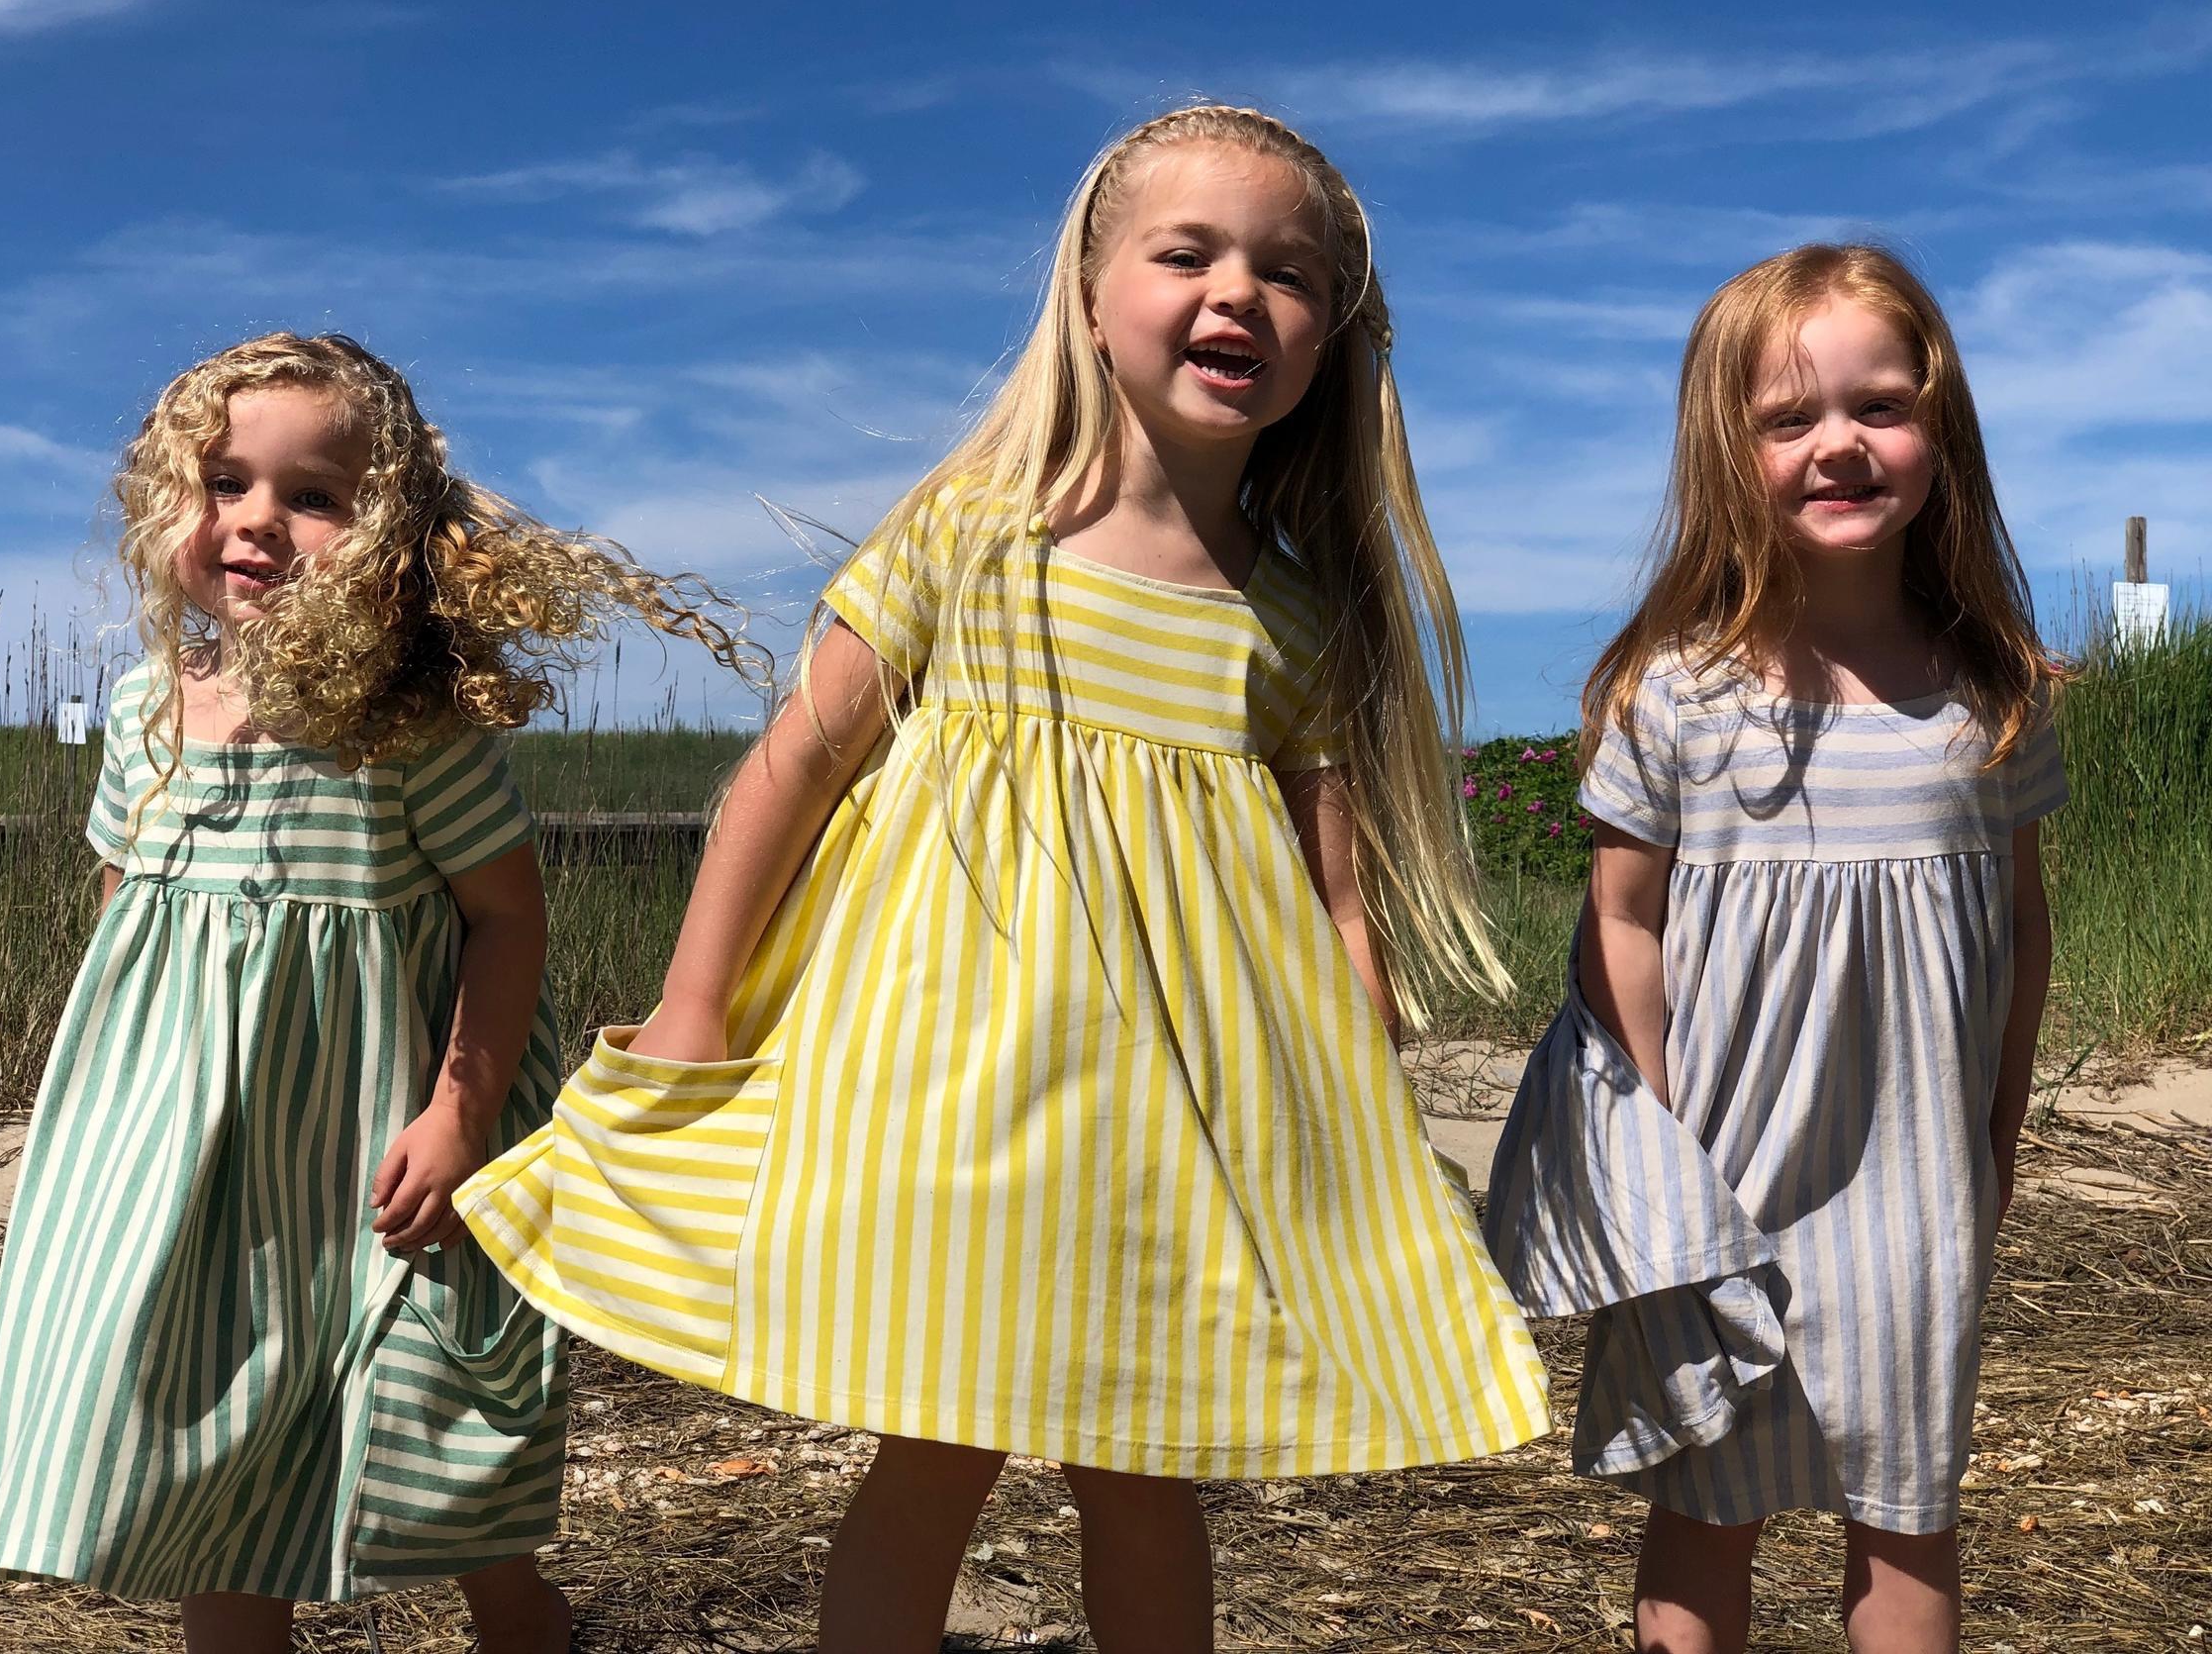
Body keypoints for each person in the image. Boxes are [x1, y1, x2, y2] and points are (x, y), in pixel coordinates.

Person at [461, 105, 1550, 1654]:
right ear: (1093, 299)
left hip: (1171, 1123)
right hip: (956, 1100)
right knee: (938, 1438)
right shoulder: (968, 541)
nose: (1239, 294)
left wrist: (1361, 1075)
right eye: (1188, 254)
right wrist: (694, 1002)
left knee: (1147, 1458)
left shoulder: (1296, 618)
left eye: (1289, 274)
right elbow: (789, 773)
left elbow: (1338, 896)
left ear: (1333, 336)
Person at [0, 332, 757, 1652]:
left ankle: (521, 1619)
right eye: (225, 481)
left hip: (370, 1134)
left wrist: (462, 1113)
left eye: (314, 495)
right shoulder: (144, 711)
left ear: (385, 531)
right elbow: (122, 917)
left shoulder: (404, 728)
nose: (257, 519)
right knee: (204, 1418)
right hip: (185, 1148)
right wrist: (108, 1109)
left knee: (427, 1409)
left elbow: (505, 917)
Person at [1487, 244, 2066, 1654]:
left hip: (1917, 1179)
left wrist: (1998, 1139)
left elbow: (2022, 934)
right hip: (1717, 1176)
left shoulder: (1990, 695)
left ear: (1941, 426)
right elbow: (1622, 922)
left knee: (1909, 1510)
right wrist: (1652, 1153)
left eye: (1881, 406)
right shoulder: (1674, 694)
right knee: (1704, 1507)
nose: (1840, 444)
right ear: (1725, 449)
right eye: (1789, 417)